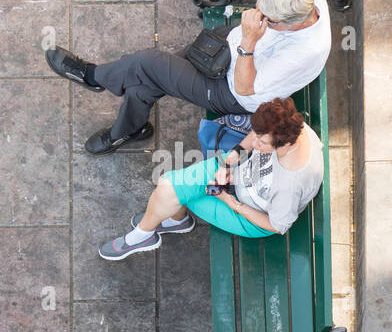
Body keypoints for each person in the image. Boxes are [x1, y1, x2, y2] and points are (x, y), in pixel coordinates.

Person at [47, 0, 334, 155]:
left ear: (291, 23)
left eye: (268, 19)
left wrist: (248, 40)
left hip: (230, 89)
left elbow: (247, 88)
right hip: (221, 48)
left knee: (147, 63)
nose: (257, 18)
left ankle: (92, 76)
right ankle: (128, 131)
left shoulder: (305, 49)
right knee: (145, 80)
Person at [97, 96, 320, 259]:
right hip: (237, 177)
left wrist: (232, 203)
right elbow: (254, 135)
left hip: (248, 214)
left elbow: (276, 225)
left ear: (284, 144)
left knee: (169, 189)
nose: (255, 143)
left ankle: (144, 235)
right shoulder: (288, 127)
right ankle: (172, 222)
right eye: (257, 137)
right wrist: (230, 160)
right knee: (169, 186)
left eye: (262, 144)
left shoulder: (289, 184)